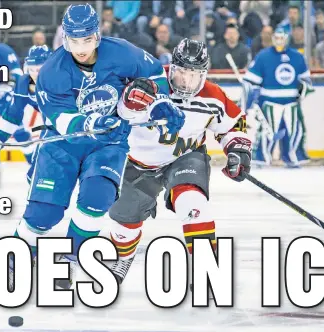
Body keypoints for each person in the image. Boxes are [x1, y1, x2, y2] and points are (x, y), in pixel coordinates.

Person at [0, 3, 185, 291]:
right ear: (65, 38)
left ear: (98, 35)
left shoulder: (121, 52)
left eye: (87, 40)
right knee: (44, 214)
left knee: (97, 198)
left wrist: (161, 103)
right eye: (74, 41)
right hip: (64, 146)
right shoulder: (52, 71)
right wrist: (90, 122)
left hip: (108, 144)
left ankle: (67, 260)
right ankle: (13, 259)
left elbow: (154, 73)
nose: (81, 48)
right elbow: (60, 118)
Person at [107, 38, 251, 287]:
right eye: (181, 72)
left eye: (194, 76)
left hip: (185, 158)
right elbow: (123, 111)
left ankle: (206, 267)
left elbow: (234, 123)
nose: (186, 81)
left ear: (204, 75)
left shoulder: (213, 96)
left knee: (193, 203)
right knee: (125, 222)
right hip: (137, 162)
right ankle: (123, 255)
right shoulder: (152, 85)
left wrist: (238, 149)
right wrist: (129, 102)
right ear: (171, 68)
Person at [243, 27, 314, 167]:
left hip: (291, 104)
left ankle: (292, 157)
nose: (279, 41)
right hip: (269, 103)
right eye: (277, 38)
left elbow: (307, 82)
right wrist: (252, 96)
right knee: (265, 133)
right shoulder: (263, 56)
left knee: (294, 131)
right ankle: (261, 158)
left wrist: (301, 91)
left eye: (282, 38)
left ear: (287, 39)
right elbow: (251, 81)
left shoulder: (298, 57)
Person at [0, 45, 53, 171]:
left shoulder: (63, 82)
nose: (35, 75)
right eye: (32, 70)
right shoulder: (23, 83)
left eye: (40, 69)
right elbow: (12, 116)